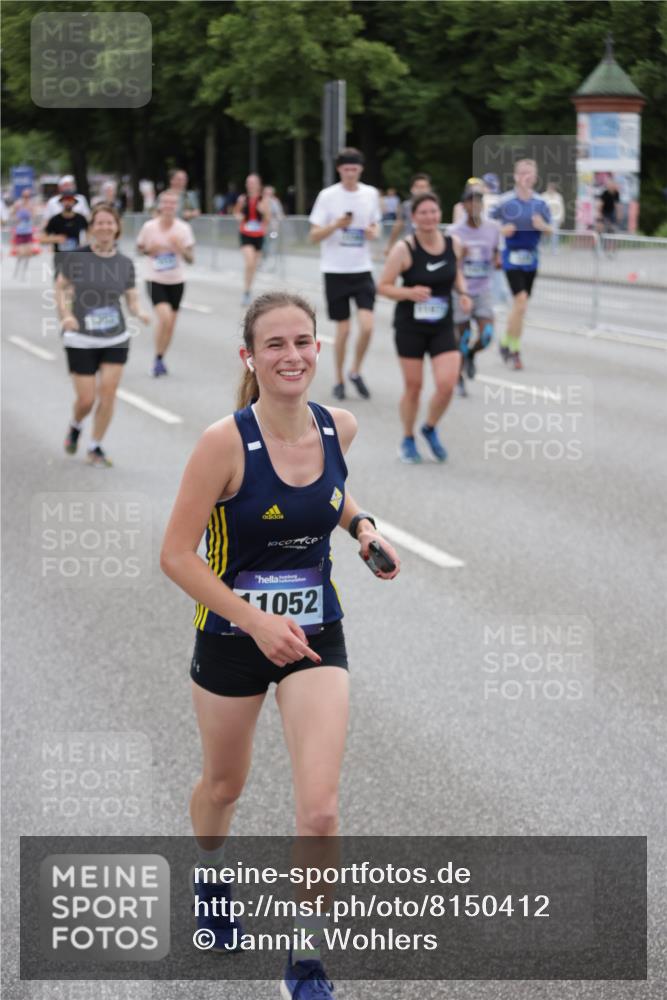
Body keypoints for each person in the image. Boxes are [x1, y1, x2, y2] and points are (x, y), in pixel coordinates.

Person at [160, 290, 400, 999]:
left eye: (303, 342)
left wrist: (363, 531)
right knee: (225, 786)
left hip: (315, 633)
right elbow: (176, 556)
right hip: (233, 638)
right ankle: (209, 875)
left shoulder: (339, 427)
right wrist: (255, 620)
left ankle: (304, 959)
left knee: (320, 808)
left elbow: (332, 497)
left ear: (317, 349)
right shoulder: (222, 444)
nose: (291, 356)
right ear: (250, 357)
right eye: (275, 345)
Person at [378, 192, 471, 463]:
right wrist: (409, 292)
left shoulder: (454, 243)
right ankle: (407, 438)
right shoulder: (404, 249)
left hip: (442, 325)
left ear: (439, 214)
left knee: (447, 384)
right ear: (413, 217)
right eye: (423, 213)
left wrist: (463, 293)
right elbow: (383, 286)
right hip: (410, 327)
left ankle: (429, 427)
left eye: (433, 212)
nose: (429, 217)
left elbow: (456, 273)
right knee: (414, 387)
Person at [55, 205, 150, 466]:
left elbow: (131, 298)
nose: (105, 227)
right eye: (100, 223)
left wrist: (139, 311)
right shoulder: (75, 258)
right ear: (91, 228)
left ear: (117, 228)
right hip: (80, 337)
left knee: (108, 393)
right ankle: (76, 425)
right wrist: (66, 315)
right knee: (86, 399)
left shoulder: (125, 263)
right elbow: (61, 289)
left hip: (114, 337)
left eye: (110, 223)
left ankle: (95, 446)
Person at [309, 148, 382, 400]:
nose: (350, 173)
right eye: (346, 169)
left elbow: (375, 224)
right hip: (335, 270)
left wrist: (373, 232)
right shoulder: (328, 196)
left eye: (354, 169)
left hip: (362, 268)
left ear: (360, 170)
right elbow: (313, 235)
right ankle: (339, 378)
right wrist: (335, 225)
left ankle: (355, 370)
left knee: (368, 326)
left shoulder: (370, 194)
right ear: (339, 169)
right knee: (343, 330)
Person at [490, 158, 551, 371]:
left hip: (532, 259)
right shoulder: (505, 201)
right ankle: (515, 350)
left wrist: (542, 226)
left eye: (530, 173)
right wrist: (501, 230)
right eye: (523, 173)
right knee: (521, 302)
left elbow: (551, 230)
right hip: (511, 257)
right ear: (516, 176)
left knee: (520, 308)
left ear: (535, 177)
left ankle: (506, 342)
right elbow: (488, 225)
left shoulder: (540, 203)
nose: (527, 177)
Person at [136, 190, 196, 377]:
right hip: (155, 279)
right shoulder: (149, 227)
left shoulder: (183, 229)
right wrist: (149, 249)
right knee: (165, 317)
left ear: (176, 206)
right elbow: (139, 249)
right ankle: (158, 358)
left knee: (170, 325)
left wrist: (179, 248)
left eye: (173, 203)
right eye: (166, 203)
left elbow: (190, 259)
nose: (169, 206)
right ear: (160, 205)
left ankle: (159, 357)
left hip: (176, 280)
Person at [449, 182, 501, 394]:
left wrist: (498, 261)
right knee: (461, 337)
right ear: (464, 206)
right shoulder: (454, 232)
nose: (475, 206)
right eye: (470, 202)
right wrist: (461, 255)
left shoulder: (493, 228)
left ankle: (471, 354)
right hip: (461, 291)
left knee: (487, 334)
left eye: (479, 201)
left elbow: (497, 252)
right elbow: (449, 263)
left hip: (483, 289)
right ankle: (458, 376)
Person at [234, 173, 270, 306]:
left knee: (253, 266)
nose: (251, 185)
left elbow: (268, 219)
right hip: (246, 234)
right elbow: (236, 212)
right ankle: (246, 291)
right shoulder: (243, 199)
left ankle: (248, 290)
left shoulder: (264, 200)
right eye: (249, 182)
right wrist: (238, 216)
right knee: (249, 263)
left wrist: (263, 211)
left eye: (253, 182)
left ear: (259, 185)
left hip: (259, 236)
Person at [42, 192, 89, 275]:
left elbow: (90, 233)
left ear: (74, 202)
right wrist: (55, 239)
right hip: (60, 257)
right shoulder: (55, 220)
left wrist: (85, 245)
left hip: (76, 257)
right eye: (65, 200)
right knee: (60, 282)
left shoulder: (80, 218)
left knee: (77, 282)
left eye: (70, 200)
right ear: (61, 202)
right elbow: (42, 239)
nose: (68, 203)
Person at [384, 173, 432, 254]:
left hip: (428, 245)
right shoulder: (406, 206)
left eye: (424, 187)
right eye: (418, 187)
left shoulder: (433, 207)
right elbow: (398, 224)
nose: (421, 190)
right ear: (412, 189)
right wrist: (390, 245)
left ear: (429, 189)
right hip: (411, 245)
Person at [10, 187, 38, 280]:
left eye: (28, 196)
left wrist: (31, 212)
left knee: (28, 253)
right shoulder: (18, 204)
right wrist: (17, 216)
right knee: (21, 252)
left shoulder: (31, 205)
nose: (26, 198)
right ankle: (17, 270)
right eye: (25, 196)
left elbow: (34, 217)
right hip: (20, 231)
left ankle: (24, 272)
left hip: (28, 231)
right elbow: (12, 215)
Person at [543, 182, 565, 253]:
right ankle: (544, 247)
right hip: (545, 217)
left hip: (555, 217)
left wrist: (562, 218)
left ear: (554, 189)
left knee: (555, 234)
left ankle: (554, 249)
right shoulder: (543, 196)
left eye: (552, 188)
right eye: (549, 188)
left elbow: (561, 208)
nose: (550, 190)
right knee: (545, 233)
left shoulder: (558, 197)